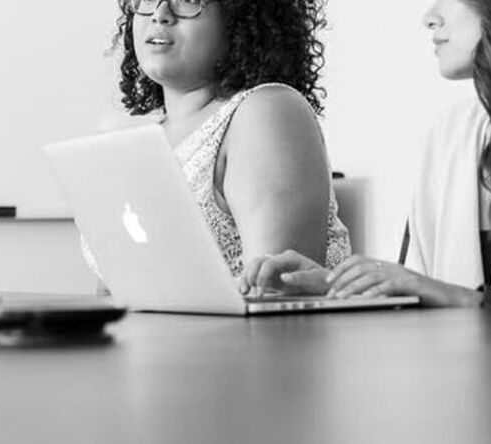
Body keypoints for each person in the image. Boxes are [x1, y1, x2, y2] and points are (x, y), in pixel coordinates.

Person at [242, 0, 491, 310]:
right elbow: (420, 300)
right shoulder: (451, 135)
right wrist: (338, 289)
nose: (430, 17)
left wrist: (461, 301)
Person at [84, 0, 351, 285]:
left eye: (188, 1)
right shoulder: (138, 143)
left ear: (240, 17)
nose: (160, 15)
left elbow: (276, 298)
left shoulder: (268, 111)